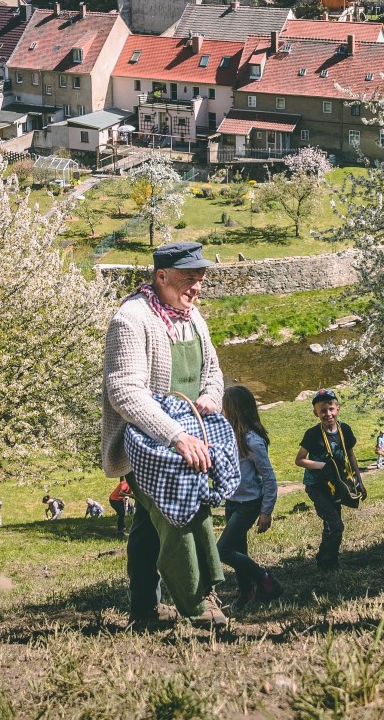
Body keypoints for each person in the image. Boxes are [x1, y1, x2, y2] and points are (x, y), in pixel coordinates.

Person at [101, 241, 228, 629]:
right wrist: (174, 436)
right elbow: (124, 391)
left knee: (146, 526)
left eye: (201, 280)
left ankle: (142, 607)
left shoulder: (193, 318)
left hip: (191, 435)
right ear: (161, 276)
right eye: (190, 279)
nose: (197, 288)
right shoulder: (131, 319)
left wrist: (211, 395)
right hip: (148, 441)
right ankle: (197, 602)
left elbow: (213, 373)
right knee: (181, 512)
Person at [218, 384, 284, 606]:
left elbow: (269, 479)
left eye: (224, 407)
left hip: (249, 503)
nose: (221, 411)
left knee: (224, 550)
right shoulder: (230, 436)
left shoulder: (252, 441)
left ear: (235, 409)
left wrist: (266, 511)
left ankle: (266, 580)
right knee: (238, 550)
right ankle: (247, 593)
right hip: (233, 501)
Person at [296, 389, 362, 570]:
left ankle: (324, 559)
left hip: (336, 484)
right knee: (336, 524)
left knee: (331, 524)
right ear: (315, 413)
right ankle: (330, 562)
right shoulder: (313, 434)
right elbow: (299, 459)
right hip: (317, 485)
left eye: (331, 409)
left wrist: (358, 480)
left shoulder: (344, 430)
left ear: (338, 409)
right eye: (323, 411)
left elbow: (351, 454)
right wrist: (322, 466)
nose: (328, 414)